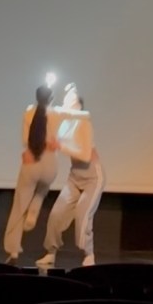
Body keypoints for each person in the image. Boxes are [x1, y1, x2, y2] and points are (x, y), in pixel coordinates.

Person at [2, 83, 89, 264]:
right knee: (42, 190)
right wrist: (72, 96)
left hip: (31, 161)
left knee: (19, 206)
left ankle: (13, 250)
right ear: (51, 98)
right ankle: (34, 210)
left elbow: (25, 140)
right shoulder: (57, 113)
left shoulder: (28, 112)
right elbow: (82, 115)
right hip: (50, 164)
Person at [36, 83, 105, 271]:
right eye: (66, 101)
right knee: (56, 215)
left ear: (78, 106)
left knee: (83, 215)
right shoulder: (65, 124)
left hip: (93, 178)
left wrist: (60, 146)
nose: (67, 105)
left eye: (71, 102)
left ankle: (89, 255)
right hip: (75, 178)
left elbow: (84, 155)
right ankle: (51, 252)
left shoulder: (84, 124)